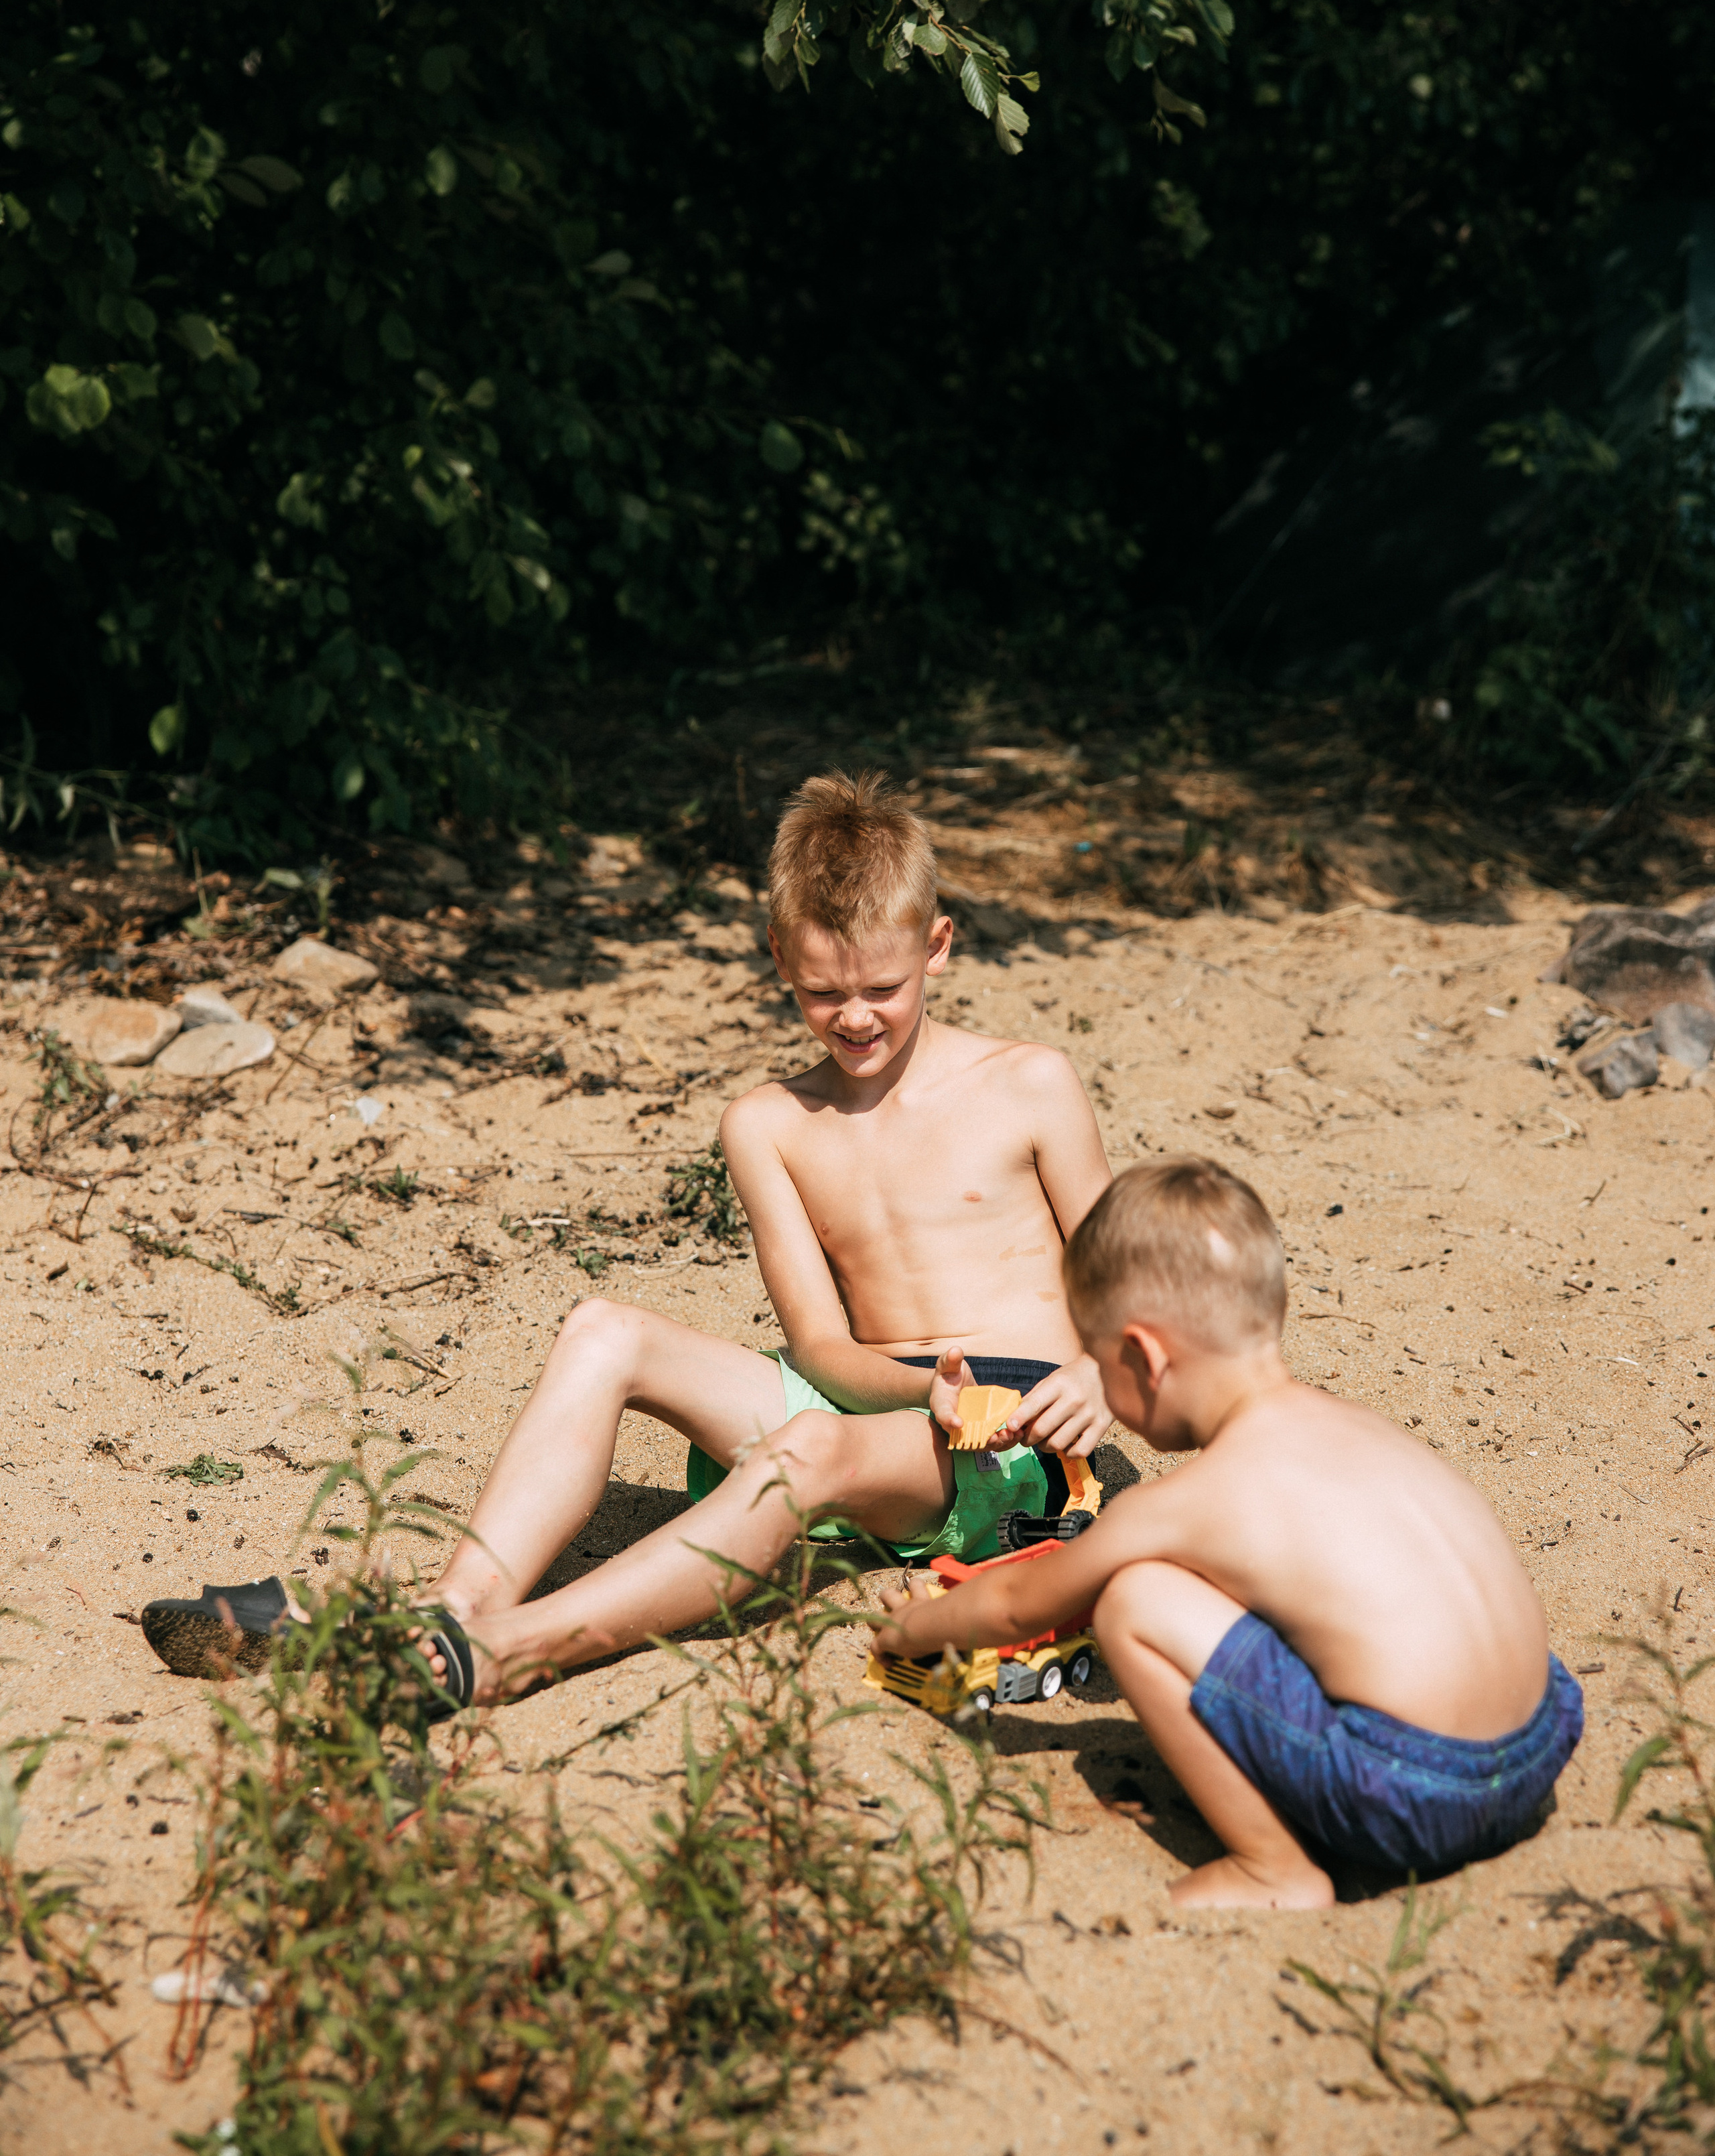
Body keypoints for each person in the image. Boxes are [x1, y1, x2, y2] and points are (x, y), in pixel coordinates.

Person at [143, 769, 1113, 1697]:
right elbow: (821, 1346)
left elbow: (1133, 1287)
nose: (854, 1017)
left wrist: (1090, 1378)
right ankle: (450, 1613)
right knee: (605, 1331)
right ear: (780, 958)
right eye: (823, 994)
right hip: (882, 1398)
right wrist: (920, 1389)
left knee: (814, 1445)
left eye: (883, 989)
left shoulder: (1029, 1084)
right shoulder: (768, 1124)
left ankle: (517, 1653)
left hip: (1018, 1431)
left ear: (937, 945)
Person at [870, 1156, 1584, 1907]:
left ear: (1143, 1358)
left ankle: (1272, 1869)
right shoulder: (1363, 1430)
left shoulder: (1192, 1500)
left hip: (1420, 1792)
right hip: (1544, 1736)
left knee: (1134, 1602)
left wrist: (915, 1630)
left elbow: (1016, 1605)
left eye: (1101, 1365)